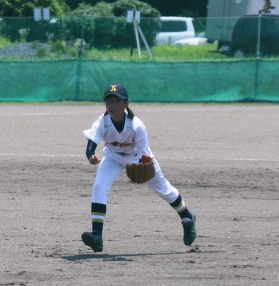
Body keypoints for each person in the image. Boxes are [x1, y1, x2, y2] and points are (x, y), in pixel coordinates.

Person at [81, 83, 197, 253]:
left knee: (164, 189)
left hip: (138, 157)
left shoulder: (136, 126)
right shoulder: (102, 122)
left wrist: (141, 167)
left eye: (117, 101)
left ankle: (187, 218)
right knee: (99, 186)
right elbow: (90, 147)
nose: (112, 105)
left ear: (126, 104)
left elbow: (144, 155)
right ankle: (97, 236)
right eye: (109, 101)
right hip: (113, 156)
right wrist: (91, 156)